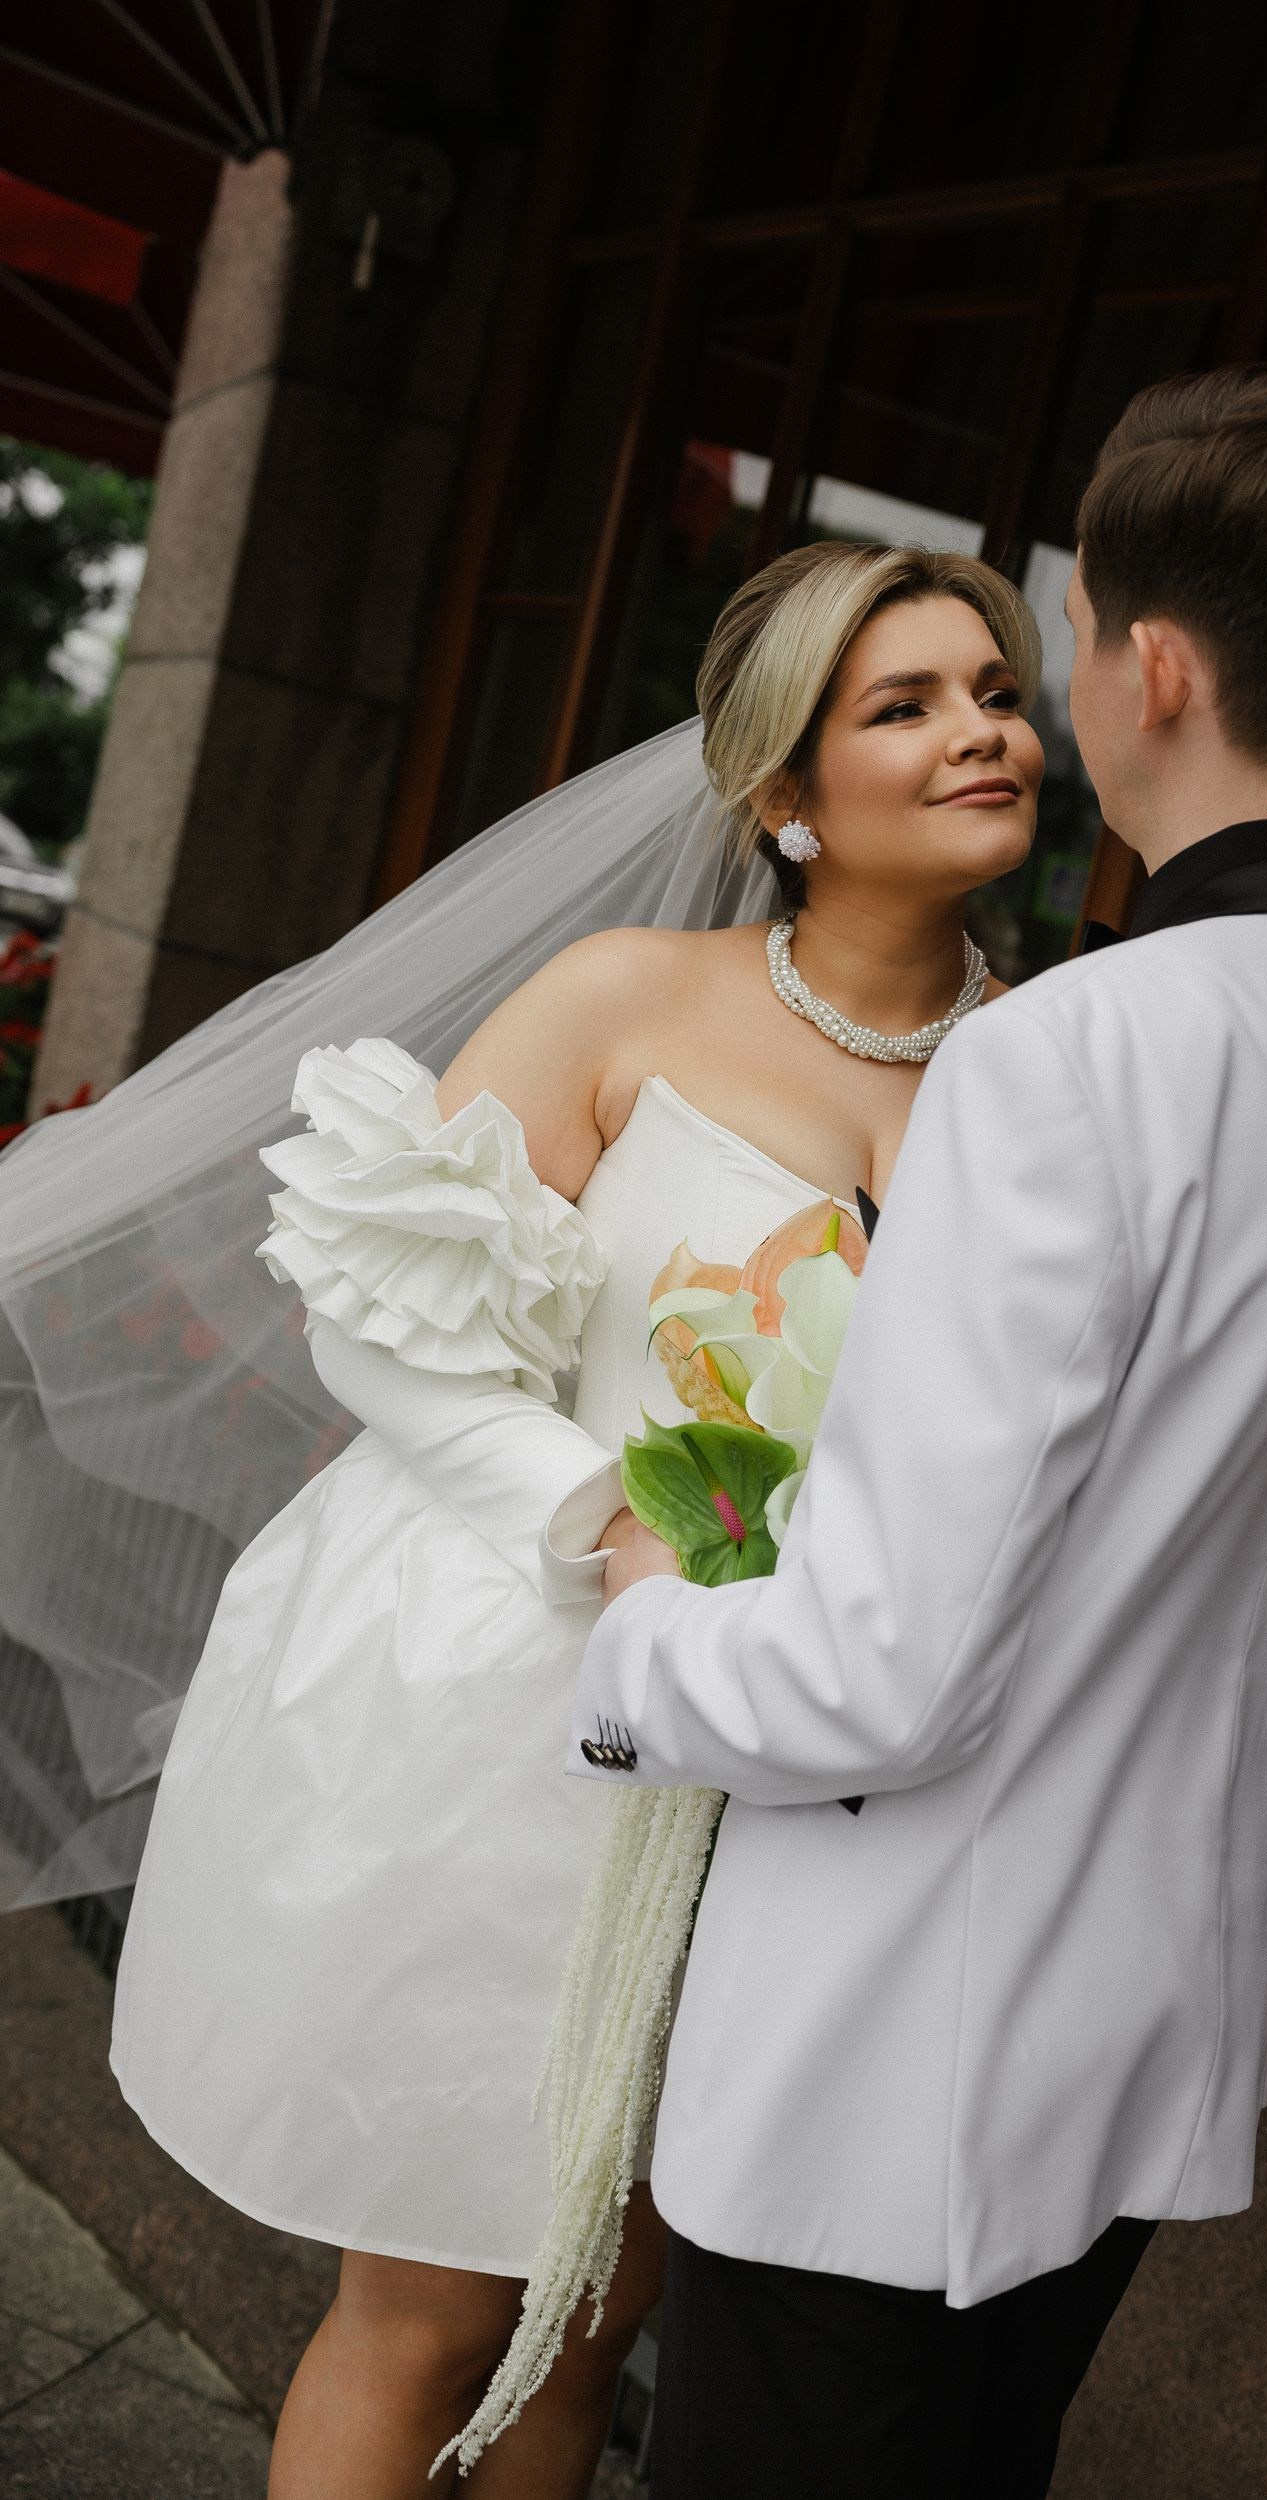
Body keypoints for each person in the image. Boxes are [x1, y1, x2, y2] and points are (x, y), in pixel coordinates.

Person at [561, 367, 1267, 2500]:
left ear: (1158, 668)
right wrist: (1166, 1640)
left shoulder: (1063, 1055)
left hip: (884, 2059)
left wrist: (640, 1622)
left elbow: (882, 1670)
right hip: (1163, 2041)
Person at [92, 542, 1045, 2497]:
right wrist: (604, 1516)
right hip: (515, 1726)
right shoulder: (627, 997)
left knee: (599, 2317)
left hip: (810, 1782)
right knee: (441, 2307)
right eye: (908, 704)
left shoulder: (1051, 1077)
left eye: (1000, 691)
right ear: (784, 794)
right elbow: (381, 1321)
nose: (983, 732)